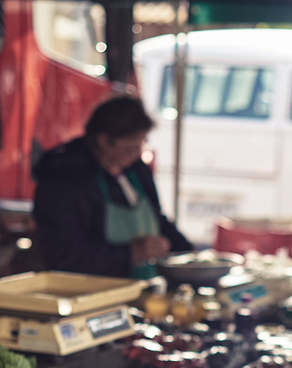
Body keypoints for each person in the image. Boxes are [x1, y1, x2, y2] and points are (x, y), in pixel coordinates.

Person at [33, 95, 192, 279]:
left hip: (143, 287)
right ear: (103, 141)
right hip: (91, 293)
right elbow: (65, 256)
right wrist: (131, 253)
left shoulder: (136, 170)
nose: (135, 155)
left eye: (139, 147)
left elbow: (157, 219)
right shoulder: (63, 181)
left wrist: (189, 254)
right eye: (129, 149)